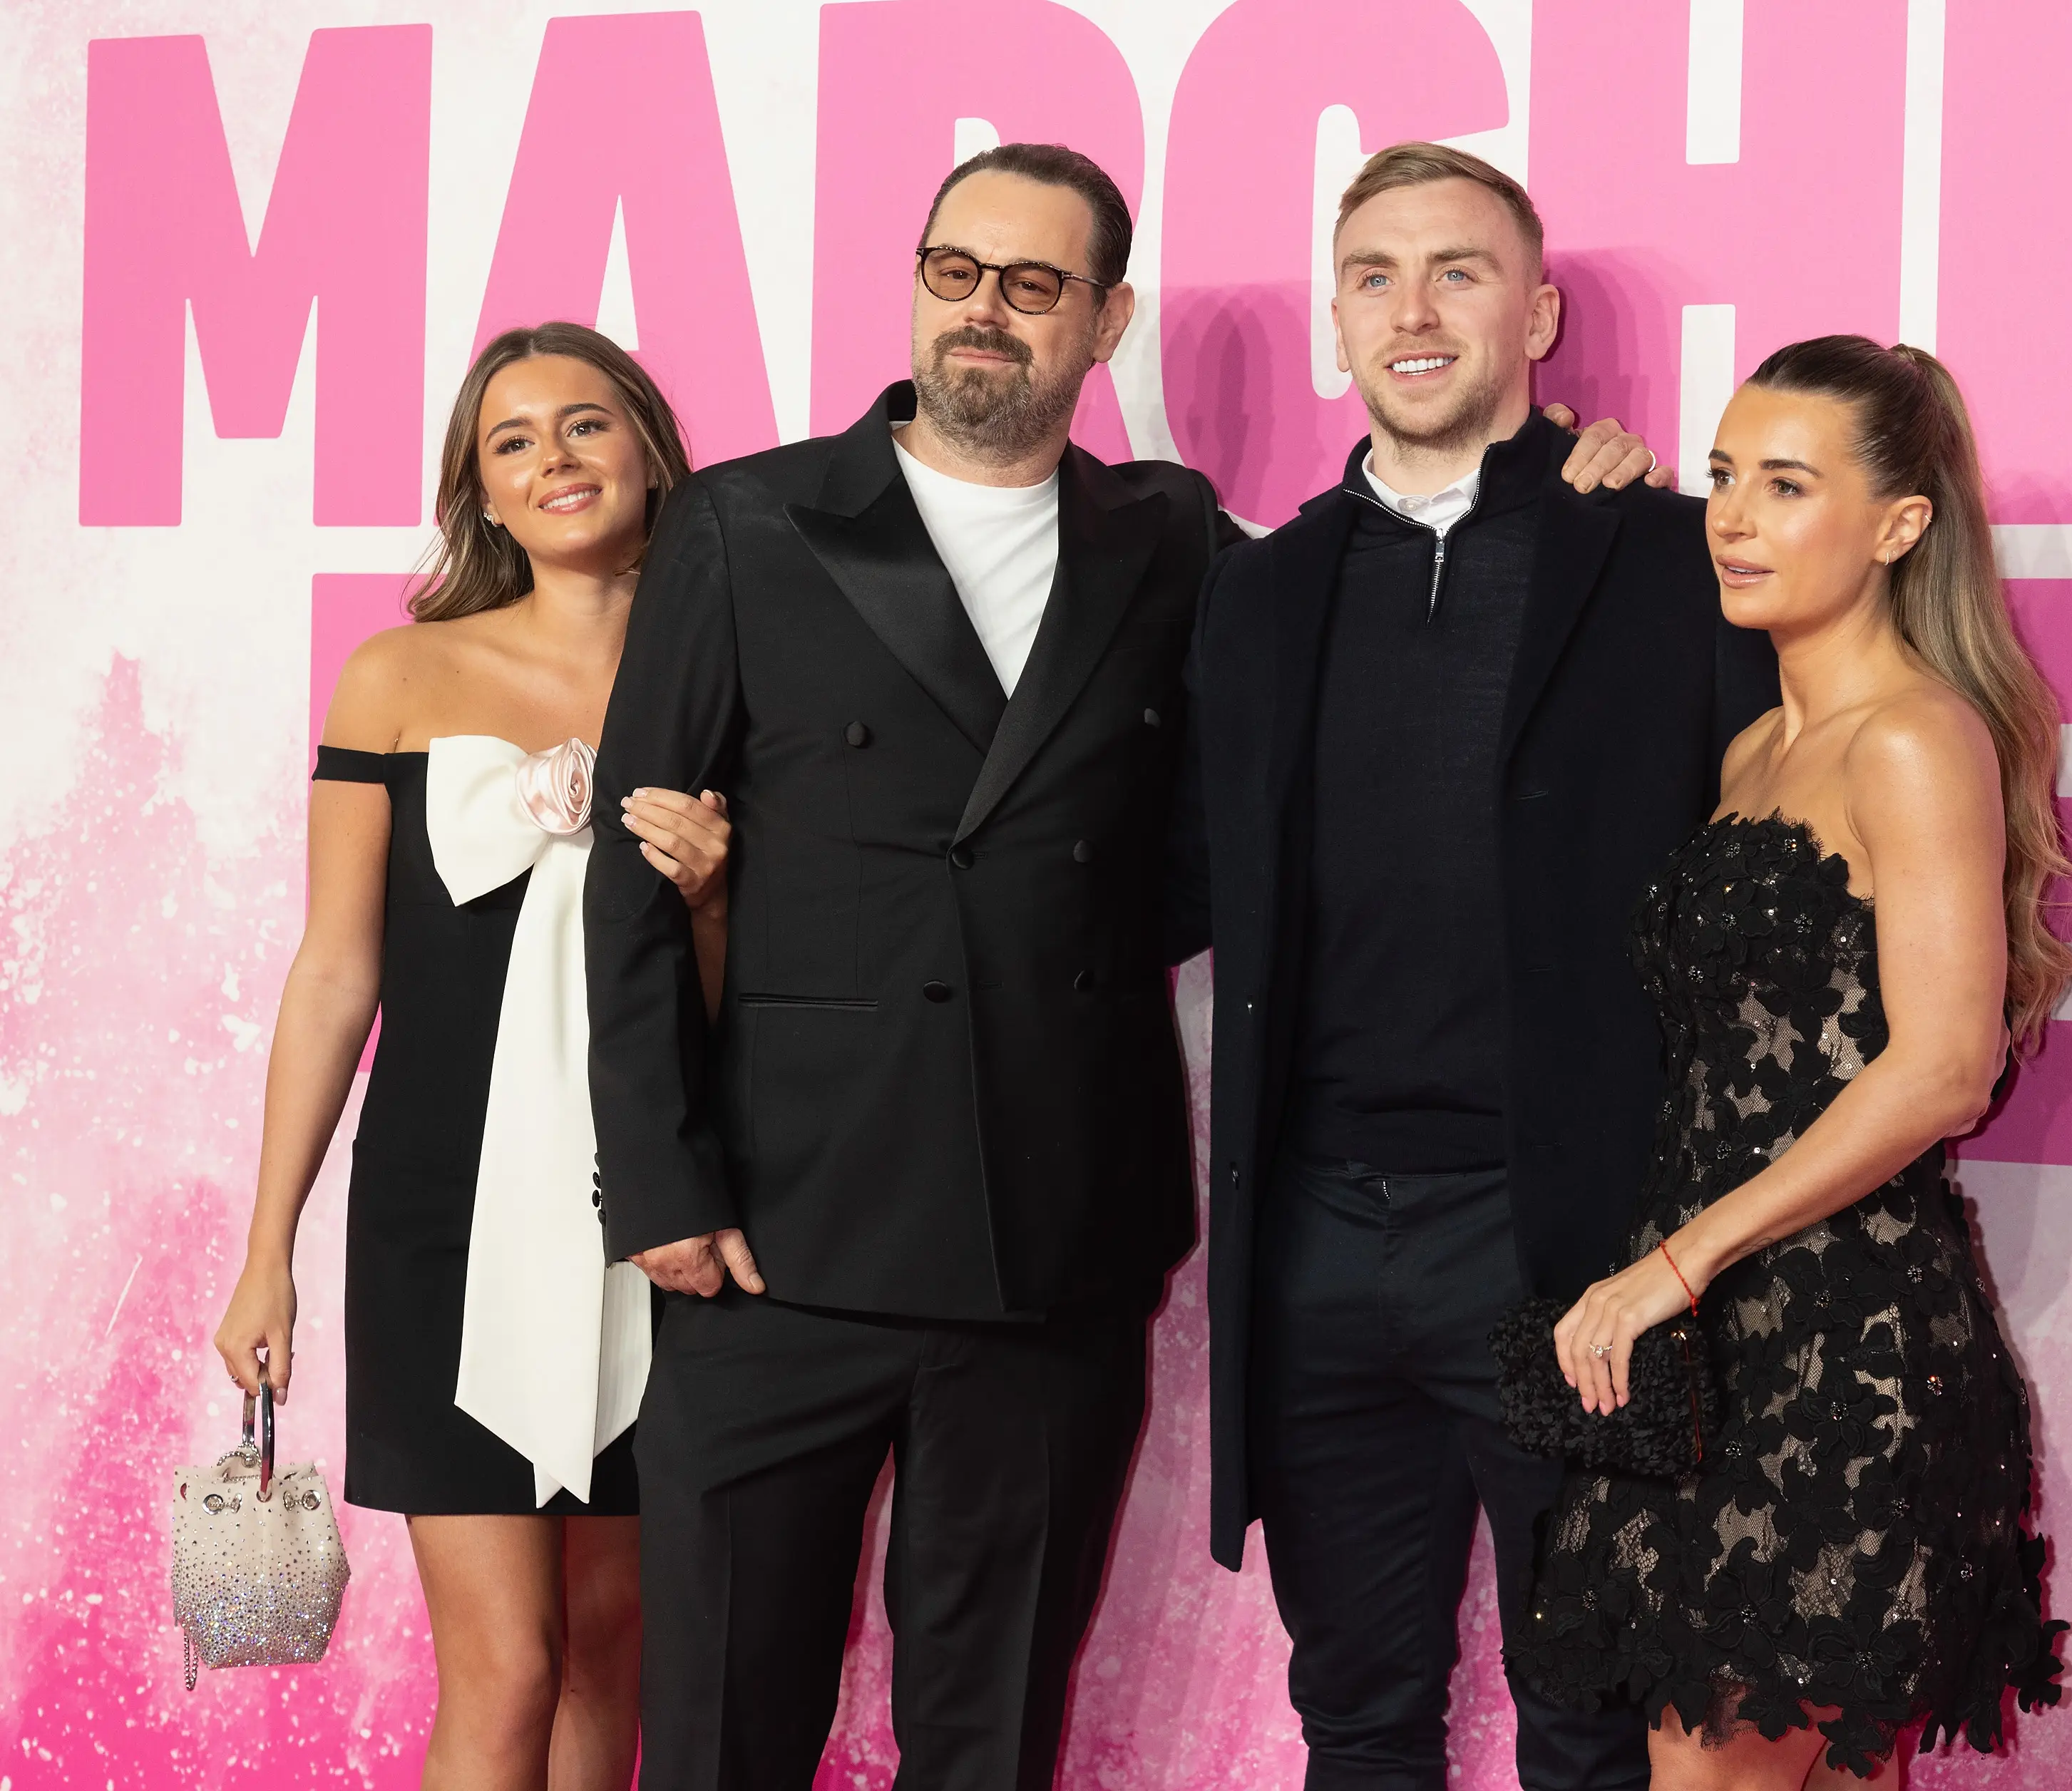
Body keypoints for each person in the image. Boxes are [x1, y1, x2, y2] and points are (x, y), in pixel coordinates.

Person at [585, 140, 1660, 1791]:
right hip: (774, 1232)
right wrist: (662, 1177)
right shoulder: (746, 521)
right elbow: (639, 860)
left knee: (990, 1730)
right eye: (957, 272)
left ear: (1106, 318)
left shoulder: (1186, 549)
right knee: (722, 1722)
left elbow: (1199, 856)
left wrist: (1582, 488)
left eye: (1033, 284)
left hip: (1049, 1238)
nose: (984, 317)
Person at [1166, 142, 1783, 1791]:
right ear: (1337, 319)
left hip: (1563, 1242)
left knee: (1594, 1718)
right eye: (1372, 273)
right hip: (1312, 1238)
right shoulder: (1260, 587)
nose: (1411, 308)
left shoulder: (1663, 554)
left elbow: (1768, 887)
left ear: (1538, 313)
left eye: (1456, 269)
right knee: (1356, 1713)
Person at [1510, 336, 2072, 1787]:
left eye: (1782, 482)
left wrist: (1672, 1265)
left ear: (1897, 525)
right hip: (1718, 1354)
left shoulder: (1913, 740)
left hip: (1845, 1341)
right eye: (1718, 477)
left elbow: (1943, 1068)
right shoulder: (1759, 745)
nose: (1733, 516)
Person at [212, 321, 734, 1789]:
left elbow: (758, 991)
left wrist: (711, 892)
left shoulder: (730, 674)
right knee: (504, 1666)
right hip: (442, 1214)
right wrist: (271, 1248)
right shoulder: (397, 676)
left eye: (585, 424)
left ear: (645, 447)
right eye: (514, 441)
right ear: (480, 494)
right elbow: (335, 972)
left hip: (661, 1207)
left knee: (613, 1640)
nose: (555, 459)